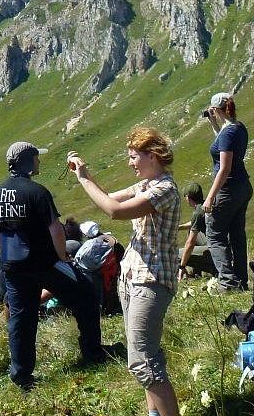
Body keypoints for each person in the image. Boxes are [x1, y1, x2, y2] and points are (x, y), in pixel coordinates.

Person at [68, 127, 181, 416]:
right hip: (132, 277)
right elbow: (111, 199)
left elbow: (114, 212)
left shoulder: (164, 190)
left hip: (152, 279)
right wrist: (85, 173)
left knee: (142, 361)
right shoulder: (145, 185)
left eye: (134, 157)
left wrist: (83, 179)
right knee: (144, 355)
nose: (130, 163)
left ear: (152, 156)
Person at [0, 141, 113, 390]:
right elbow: (55, 229)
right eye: (36, 157)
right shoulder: (37, 192)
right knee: (85, 295)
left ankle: (22, 377)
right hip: (45, 262)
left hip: (13, 266)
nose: (39, 161)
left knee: (21, 319)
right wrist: (62, 257)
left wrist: (9, 258)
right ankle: (92, 352)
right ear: (28, 161)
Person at [202, 91, 252, 291]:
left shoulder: (228, 133)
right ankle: (241, 279)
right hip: (243, 187)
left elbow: (224, 168)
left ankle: (228, 282)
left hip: (227, 190)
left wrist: (210, 197)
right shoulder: (238, 128)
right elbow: (222, 136)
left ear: (215, 110)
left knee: (214, 233)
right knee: (237, 233)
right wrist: (212, 122)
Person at [177, 182, 215, 279]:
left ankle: (188, 271)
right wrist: (179, 227)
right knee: (191, 230)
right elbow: (194, 223)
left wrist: (182, 266)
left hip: (214, 251)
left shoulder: (198, 213)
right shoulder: (204, 205)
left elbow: (190, 243)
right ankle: (196, 273)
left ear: (188, 197)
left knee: (176, 254)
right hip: (218, 243)